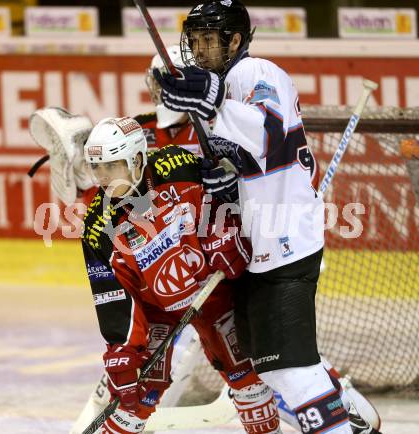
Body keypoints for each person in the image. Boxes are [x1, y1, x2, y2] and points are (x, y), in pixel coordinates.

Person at [153, 1, 382, 433]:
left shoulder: (255, 72)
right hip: (261, 249)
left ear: (235, 41)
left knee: (292, 370)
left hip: (287, 242)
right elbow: (248, 164)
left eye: (209, 41)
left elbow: (266, 132)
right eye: (194, 41)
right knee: (273, 368)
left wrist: (212, 99)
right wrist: (223, 179)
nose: (199, 52)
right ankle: (348, 413)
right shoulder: (222, 93)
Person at [81, 116, 284, 434]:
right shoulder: (97, 226)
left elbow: (227, 196)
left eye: (112, 165)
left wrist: (227, 237)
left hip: (211, 290)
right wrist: (122, 351)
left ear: (137, 159)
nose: (103, 177)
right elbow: (112, 296)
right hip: (155, 310)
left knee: (245, 376)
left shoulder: (179, 166)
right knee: (137, 396)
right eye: (97, 168)